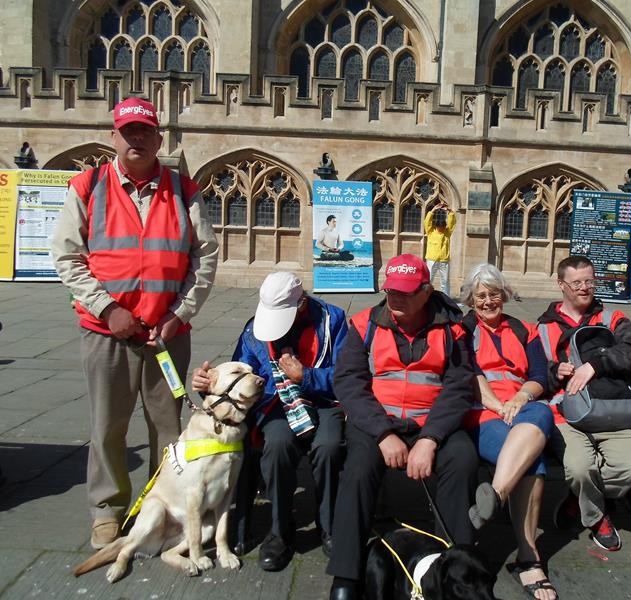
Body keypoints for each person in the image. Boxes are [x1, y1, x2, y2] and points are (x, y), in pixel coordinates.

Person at [51, 97, 219, 549]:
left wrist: (180, 312)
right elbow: (67, 256)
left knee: (168, 426)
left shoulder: (184, 189)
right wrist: (109, 308)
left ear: (158, 138)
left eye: (145, 131)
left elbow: (204, 257)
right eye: (128, 131)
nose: (137, 139)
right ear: (114, 137)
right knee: (108, 425)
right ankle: (107, 509)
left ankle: (163, 502)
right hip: (106, 332)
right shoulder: (87, 185)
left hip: (167, 334)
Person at [327, 254, 478, 600]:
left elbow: (458, 387)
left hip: (432, 422)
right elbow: (349, 382)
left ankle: (456, 567)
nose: (395, 298)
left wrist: (430, 439)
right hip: (378, 423)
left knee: (463, 459)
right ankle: (346, 575)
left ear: (426, 291)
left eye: (406, 293)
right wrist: (383, 433)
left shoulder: (453, 329)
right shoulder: (363, 324)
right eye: (391, 291)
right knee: (358, 470)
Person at [191, 271, 347, 571]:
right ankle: (280, 530)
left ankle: (329, 526)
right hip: (278, 404)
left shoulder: (334, 320)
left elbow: (347, 375)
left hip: (325, 401)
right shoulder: (254, 331)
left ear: (301, 304)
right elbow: (239, 375)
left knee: (328, 446)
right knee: (276, 445)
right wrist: (209, 384)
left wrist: (306, 376)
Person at [459, 264, 558, 600]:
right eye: (481, 295)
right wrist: (499, 407)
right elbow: (470, 376)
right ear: (471, 300)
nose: (489, 301)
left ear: (505, 295)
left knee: (541, 412)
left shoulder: (524, 329)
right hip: (482, 410)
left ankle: (496, 494)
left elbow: (540, 376)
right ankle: (530, 559)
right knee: (533, 461)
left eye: (494, 293)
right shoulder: (461, 330)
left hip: (522, 404)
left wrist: (518, 398)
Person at [538, 256, 631, 552]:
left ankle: (581, 500)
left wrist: (595, 365)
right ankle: (598, 517)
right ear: (561, 285)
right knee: (579, 469)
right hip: (567, 414)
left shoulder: (613, 319)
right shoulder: (543, 327)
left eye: (589, 281)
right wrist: (553, 372)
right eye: (577, 283)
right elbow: (532, 375)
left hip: (614, 410)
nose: (585, 288)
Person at [424, 202, 456, 296]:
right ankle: (425, 296)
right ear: (436, 226)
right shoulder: (430, 232)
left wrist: (450, 211)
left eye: (443, 227)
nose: (441, 229)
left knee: (445, 281)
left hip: (443, 260)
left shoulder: (447, 232)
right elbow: (427, 222)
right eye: (440, 227)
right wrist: (433, 210)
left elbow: (452, 222)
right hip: (431, 259)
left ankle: (445, 298)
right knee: (428, 280)